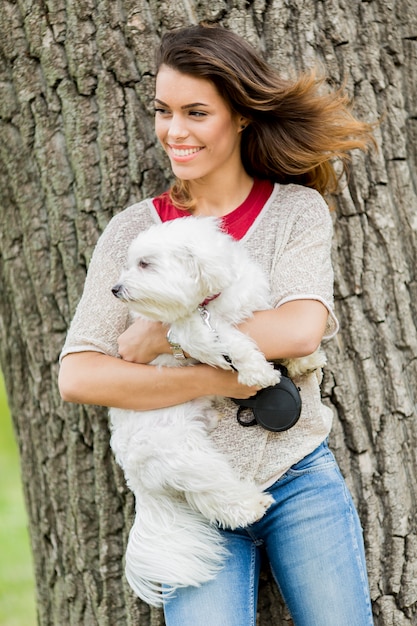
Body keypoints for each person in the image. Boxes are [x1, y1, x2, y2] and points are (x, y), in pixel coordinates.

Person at [59, 24, 375, 626]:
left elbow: (302, 328)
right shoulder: (133, 232)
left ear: (241, 118)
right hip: (190, 491)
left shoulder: (294, 212)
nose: (174, 131)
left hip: (298, 472)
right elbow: (80, 375)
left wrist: (167, 338)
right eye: (164, 111)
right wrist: (216, 379)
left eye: (196, 112)